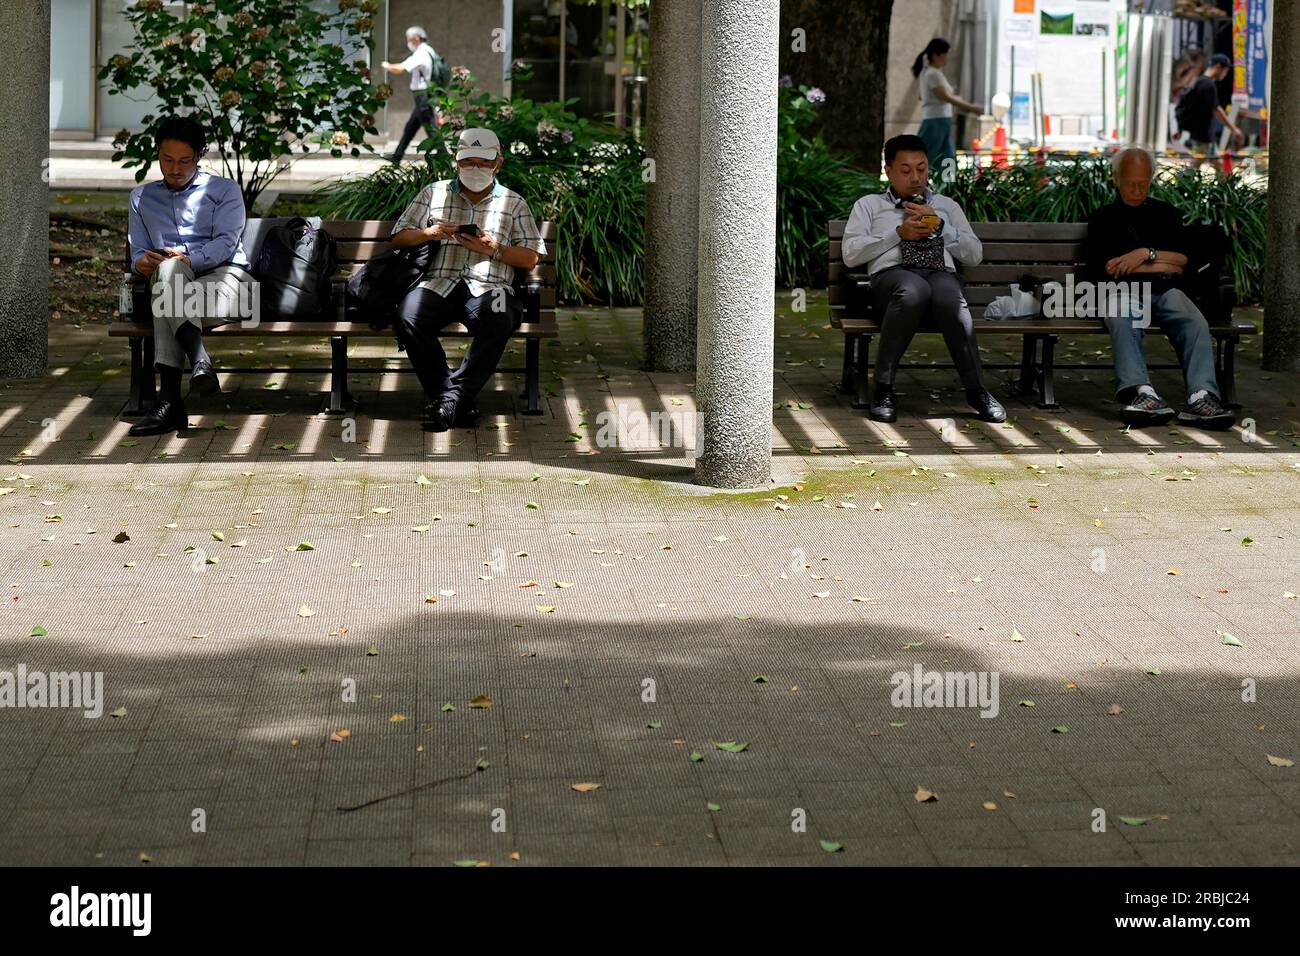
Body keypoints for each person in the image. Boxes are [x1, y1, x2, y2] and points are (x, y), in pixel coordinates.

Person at [388, 127, 546, 431]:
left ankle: (450, 400)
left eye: (483, 163)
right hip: (438, 282)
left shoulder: (513, 203)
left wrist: (494, 249)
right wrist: (429, 233)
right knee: (409, 315)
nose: (475, 169)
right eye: (468, 162)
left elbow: (530, 257)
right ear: (456, 161)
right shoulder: (434, 192)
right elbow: (398, 237)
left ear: (498, 163)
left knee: (500, 317)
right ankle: (455, 399)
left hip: (491, 287)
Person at [841, 134, 1005, 425]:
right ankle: (883, 388)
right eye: (905, 170)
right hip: (892, 282)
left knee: (951, 298)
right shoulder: (869, 205)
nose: (915, 177)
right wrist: (897, 236)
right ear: (888, 170)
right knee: (912, 289)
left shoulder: (947, 206)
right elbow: (852, 255)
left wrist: (941, 227)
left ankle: (976, 390)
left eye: (921, 168)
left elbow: (974, 255)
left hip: (940, 275)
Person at [1084, 146, 1234, 430]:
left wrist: (1142, 254)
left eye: (1144, 183)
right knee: (1121, 315)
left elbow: (1181, 262)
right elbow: (1109, 268)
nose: (1137, 190)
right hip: (1123, 293)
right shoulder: (1103, 219)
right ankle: (1143, 393)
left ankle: (1202, 396)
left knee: (1194, 320)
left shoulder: (1167, 215)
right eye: (1131, 183)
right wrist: (1160, 262)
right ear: (1116, 178)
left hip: (1166, 291)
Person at [125, 116, 254, 437]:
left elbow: (226, 244)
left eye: (184, 160)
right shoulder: (141, 198)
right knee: (167, 277)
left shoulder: (224, 191)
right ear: (157, 154)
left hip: (227, 282)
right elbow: (138, 252)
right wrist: (141, 263)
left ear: (199, 156)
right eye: (167, 160)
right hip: (169, 284)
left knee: (167, 287)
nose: (175, 168)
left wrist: (188, 259)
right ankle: (199, 363)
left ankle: (169, 401)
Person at [911, 38, 981, 184]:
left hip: (940, 119)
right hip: (936, 120)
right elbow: (945, 97)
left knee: (946, 156)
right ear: (937, 55)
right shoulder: (932, 74)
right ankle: (918, 186)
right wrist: (972, 108)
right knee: (928, 156)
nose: (947, 59)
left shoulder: (928, 73)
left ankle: (946, 187)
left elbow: (924, 96)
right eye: (945, 55)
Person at [381, 26, 442, 163]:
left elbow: (401, 68)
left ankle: (444, 156)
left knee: (432, 130)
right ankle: (397, 156)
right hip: (424, 95)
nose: (408, 43)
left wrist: (387, 66)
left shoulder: (421, 53)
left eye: (409, 40)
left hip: (423, 96)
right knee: (410, 127)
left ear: (416, 38)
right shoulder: (429, 50)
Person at [1177, 53, 1243, 155]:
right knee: (1197, 165)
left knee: (1214, 164)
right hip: (1203, 137)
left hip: (1201, 135)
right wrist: (1233, 129)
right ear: (1218, 67)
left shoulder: (1199, 81)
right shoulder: (1208, 85)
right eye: (1225, 70)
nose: (1225, 74)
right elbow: (1216, 109)